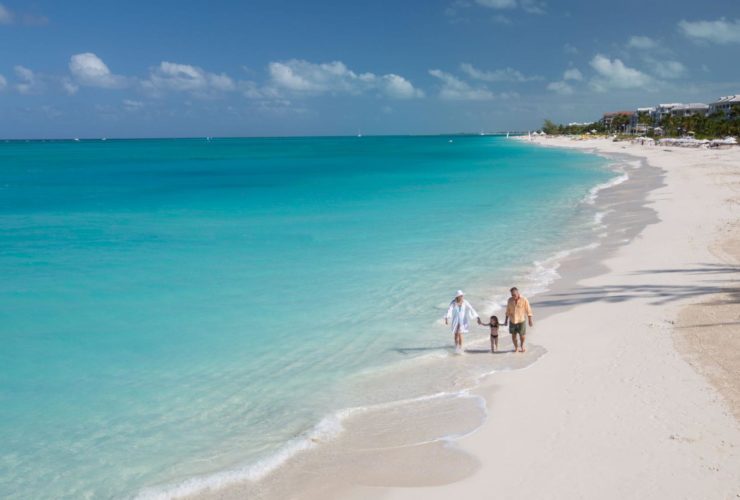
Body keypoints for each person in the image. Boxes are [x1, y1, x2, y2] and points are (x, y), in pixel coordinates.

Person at [503, 287, 533, 353]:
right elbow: (507, 311)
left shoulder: (524, 299)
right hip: (512, 320)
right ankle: (516, 347)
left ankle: (522, 345)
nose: (513, 296)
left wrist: (530, 320)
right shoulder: (510, 300)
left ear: (518, 292)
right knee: (513, 336)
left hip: (521, 320)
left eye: (514, 295)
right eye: (512, 295)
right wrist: (506, 320)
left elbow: (529, 310)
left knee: (522, 336)